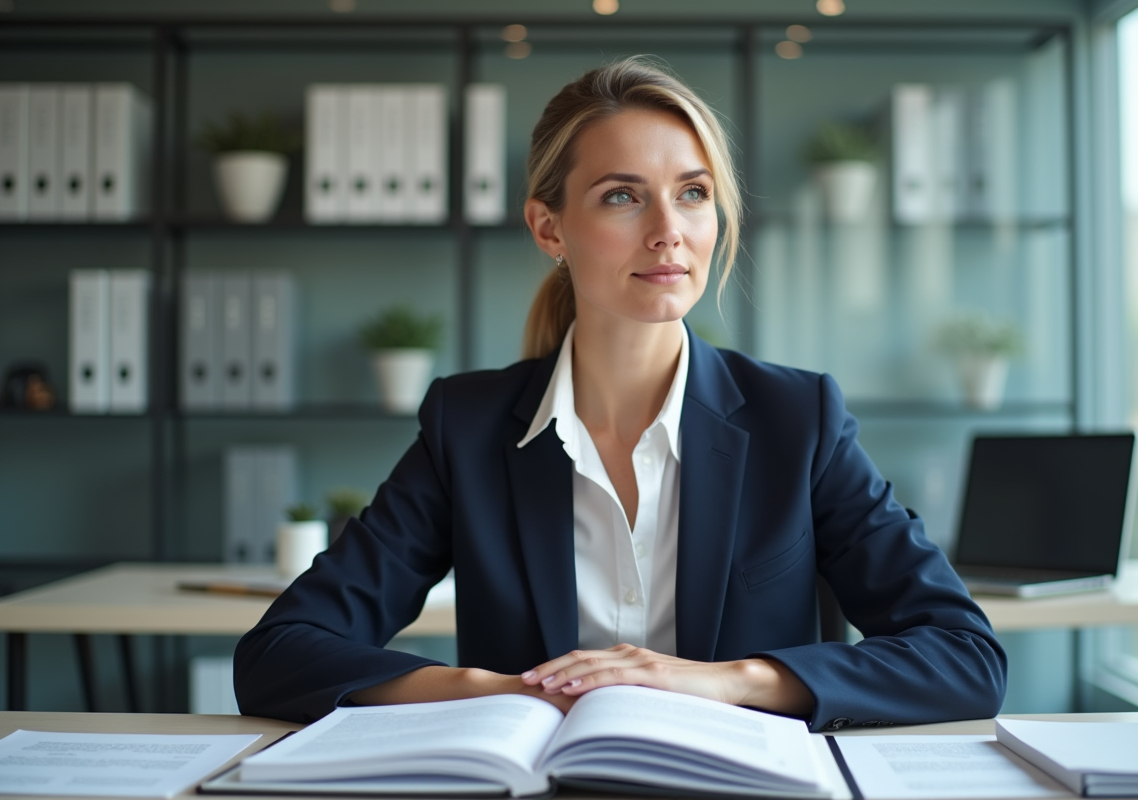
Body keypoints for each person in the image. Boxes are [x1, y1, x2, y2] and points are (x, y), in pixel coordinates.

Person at [234, 57, 1006, 730]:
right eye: (621, 197)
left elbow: (965, 657)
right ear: (549, 229)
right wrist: (501, 692)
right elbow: (278, 655)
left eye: (694, 192)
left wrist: (724, 681)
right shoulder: (465, 427)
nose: (669, 230)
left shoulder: (796, 420)